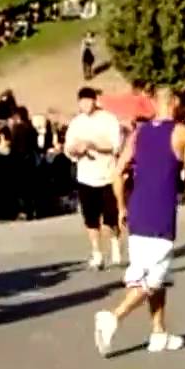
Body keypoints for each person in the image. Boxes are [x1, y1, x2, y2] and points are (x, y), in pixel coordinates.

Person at [93, 88, 185, 356]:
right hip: (160, 211)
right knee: (153, 278)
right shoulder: (184, 133)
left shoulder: (138, 133)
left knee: (153, 274)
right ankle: (113, 317)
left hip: (137, 208)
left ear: (154, 104)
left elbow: (117, 172)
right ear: (174, 103)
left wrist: (120, 206)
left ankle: (158, 332)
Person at [65, 87, 124, 269]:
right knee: (90, 217)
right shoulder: (76, 123)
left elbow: (116, 145)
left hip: (107, 174)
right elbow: (68, 147)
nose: (85, 104)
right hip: (85, 176)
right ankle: (97, 252)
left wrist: (95, 146)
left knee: (111, 217)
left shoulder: (109, 119)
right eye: (81, 101)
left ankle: (115, 244)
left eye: (88, 100)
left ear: (95, 101)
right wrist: (76, 149)